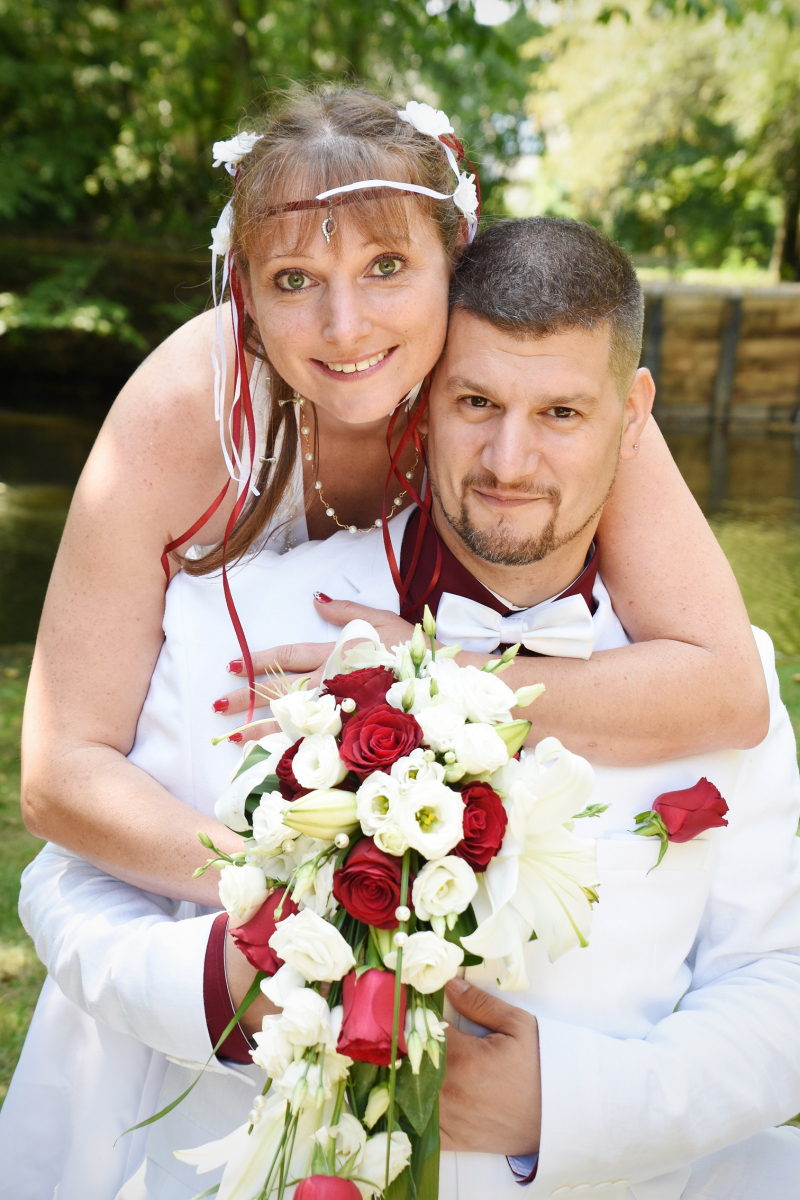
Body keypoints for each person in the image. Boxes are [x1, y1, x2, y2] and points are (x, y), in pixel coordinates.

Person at [6, 218, 800, 1200]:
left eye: (561, 412)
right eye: (476, 402)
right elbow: (71, 877)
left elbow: (777, 990)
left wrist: (565, 1104)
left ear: (631, 415)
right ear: (421, 402)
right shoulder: (244, 617)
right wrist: (214, 986)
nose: (509, 460)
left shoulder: (715, 687)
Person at [19, 86, 768, 919]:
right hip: (197, 825)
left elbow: (728, 690)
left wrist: (430, 675)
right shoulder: (182, 415)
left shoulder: (533, 393)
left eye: (385, 268)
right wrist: (298, 903)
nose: (345, 328)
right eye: (295, 279)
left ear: (456, 258)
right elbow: (60, 774)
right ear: (247, 294)